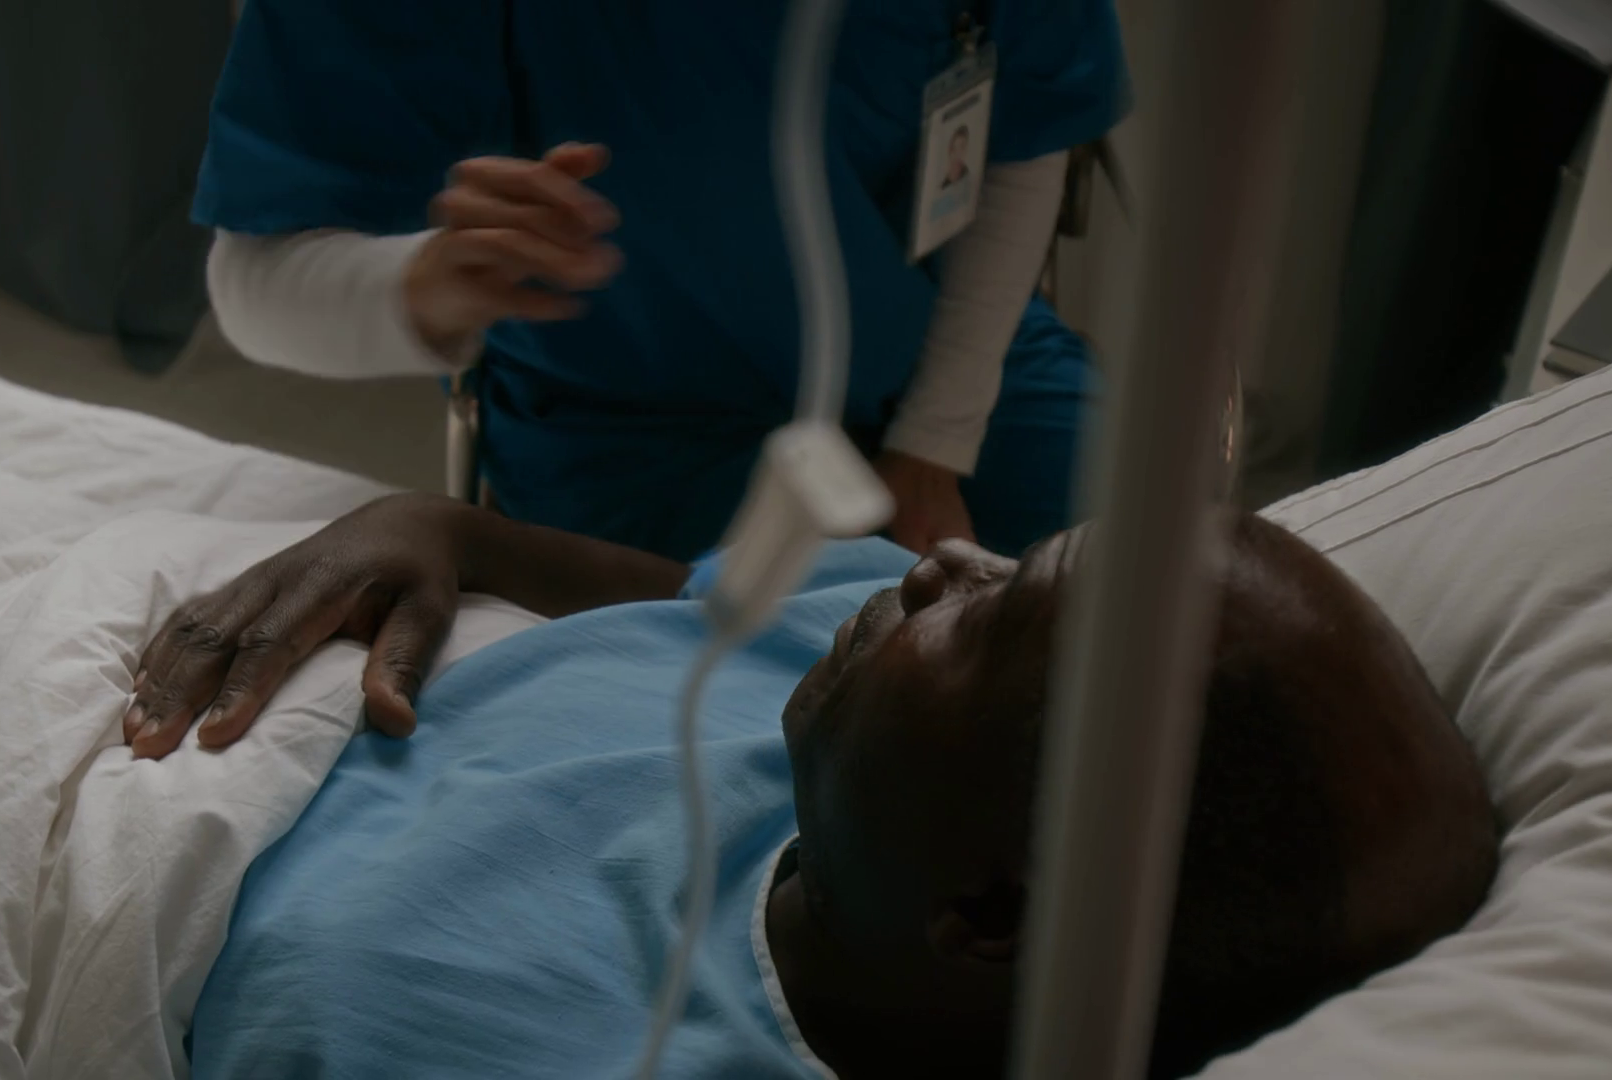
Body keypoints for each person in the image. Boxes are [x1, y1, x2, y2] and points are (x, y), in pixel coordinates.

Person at [127, 495, 1498, 1078]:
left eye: (996, 613)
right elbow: (686, 596)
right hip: (219, 619)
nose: (942, 561)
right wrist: (434, 525)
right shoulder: (862, 712)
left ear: (996, 913)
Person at [193, 1, 1129, 561]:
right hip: (629, 443)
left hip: (955, 368)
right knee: (806, 727)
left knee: (1166, 606)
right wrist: (419, 286)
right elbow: (253, 281)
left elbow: (1024, 126)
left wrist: (935, 441)